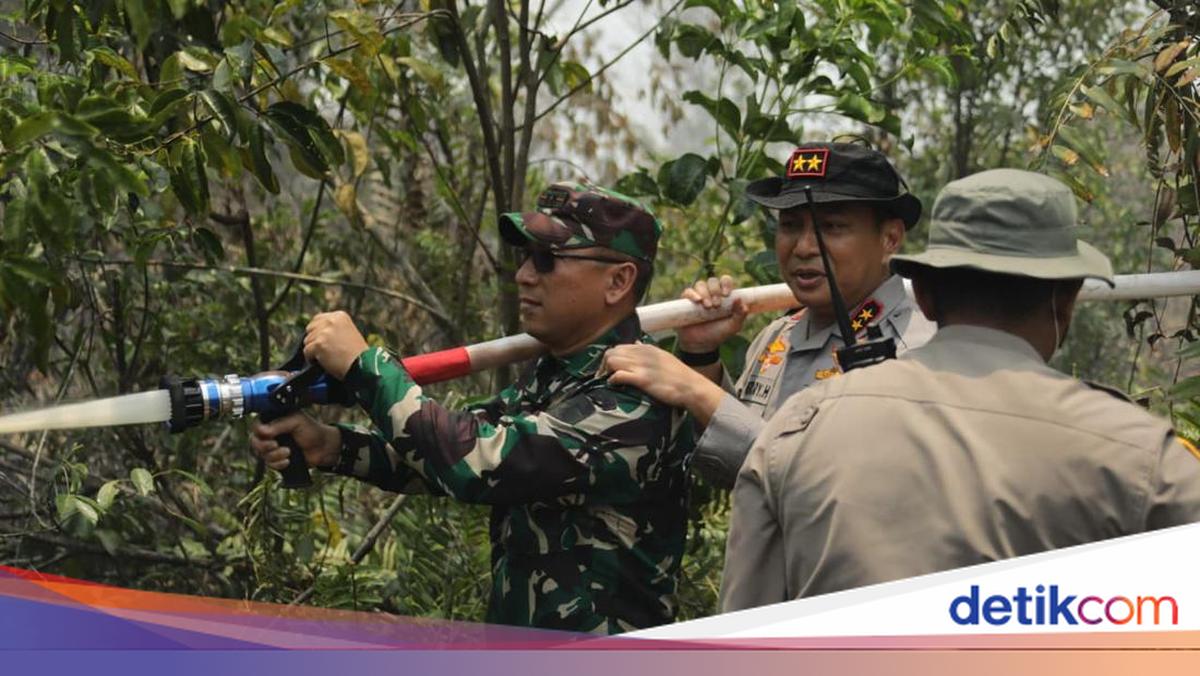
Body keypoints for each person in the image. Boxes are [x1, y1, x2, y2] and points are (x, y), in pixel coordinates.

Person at [719, 168, 1200, 611]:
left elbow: (740, 638)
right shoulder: (1140, 457)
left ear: (925, 295)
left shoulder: (796, 432)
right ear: (1067, 298)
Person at [250, 181, 695, 634]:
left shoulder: (635, 395)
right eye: (524, 256)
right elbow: (446, 448)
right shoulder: (560, 371)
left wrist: (366, 366)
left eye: (547, 258)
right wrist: (332, 446)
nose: (524, 275)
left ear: (618, 281)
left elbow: (478, 461)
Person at [603, 142, 934, 487]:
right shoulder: (778, 336)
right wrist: (701, 356)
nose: (803, 247)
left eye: (832, 227)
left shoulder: (915, 350)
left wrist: (697, 391)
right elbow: (736, 471)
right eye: (789, 225)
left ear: (890, 238)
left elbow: (837, 487)